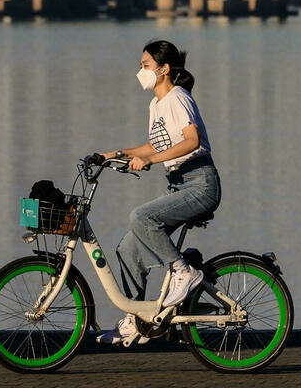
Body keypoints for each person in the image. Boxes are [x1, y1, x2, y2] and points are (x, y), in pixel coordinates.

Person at [95, 39, 221, 346]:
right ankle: (136, 318)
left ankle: (183, 271)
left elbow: (191, 141)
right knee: (127, 249)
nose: (141, 71)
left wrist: (150, 160)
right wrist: (115, 154)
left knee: (141, 217)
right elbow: (156, 144)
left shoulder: (178, 98)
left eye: (146, 65)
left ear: (164, 69)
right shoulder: (156, 104)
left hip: (200, 184)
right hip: (178, 183)